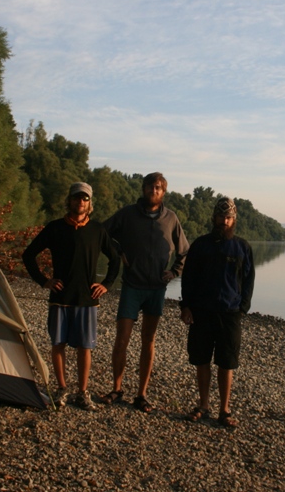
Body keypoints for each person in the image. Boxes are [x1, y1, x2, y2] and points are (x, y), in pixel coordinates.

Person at [22, 182, 119, 411]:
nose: (80, 202)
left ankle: (82, 392)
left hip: (87, 299)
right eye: (77, 198)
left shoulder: (97, 230)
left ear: (90, 203)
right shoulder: (55, 227)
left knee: (84, 347)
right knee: (58, 344)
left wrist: (106, 284)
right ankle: (61, 389)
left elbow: (115, 259)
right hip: (60, 297)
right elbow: (28, 255)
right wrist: (44, 280)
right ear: (69, 200)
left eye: (85, 199)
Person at [100, 172, 189, 413]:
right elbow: (101, 233)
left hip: (156, 290)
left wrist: (175, 272)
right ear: (143, 188)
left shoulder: (171, 219)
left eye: (159, 187)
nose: (154, 190)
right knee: (122, 339)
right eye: (150, 186)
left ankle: (141, 395)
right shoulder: (127, 214)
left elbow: (184, 251)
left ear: (164, 192)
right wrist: (118, 251)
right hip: (131, 286)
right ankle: (117, 389)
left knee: (148, 341)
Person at [179, 197, 255, 428]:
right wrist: (186, 306)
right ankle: (203, 405)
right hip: (201, 312)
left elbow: (249, 279)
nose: (225, 221)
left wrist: (243, 307)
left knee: (226, 362)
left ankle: (224, 409)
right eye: (221, 217)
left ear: (234, 220)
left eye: (229, 217)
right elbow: (188, 277)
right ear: (214, 218)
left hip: (229, 313)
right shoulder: (200, 245)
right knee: (201, 360)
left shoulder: (242, 247)